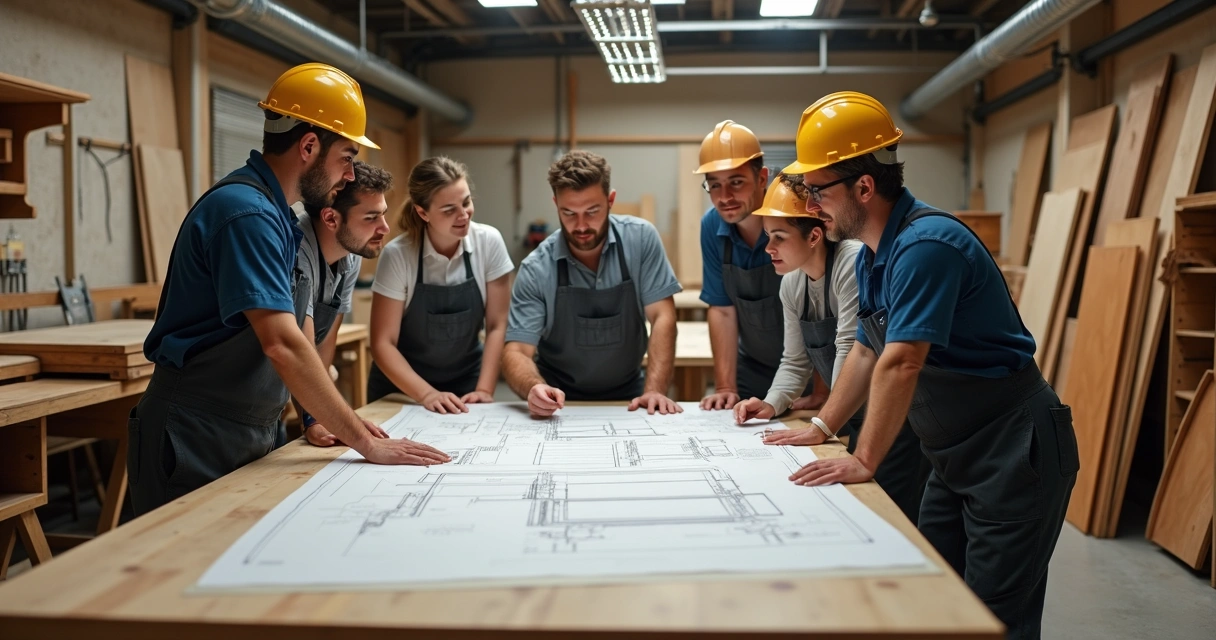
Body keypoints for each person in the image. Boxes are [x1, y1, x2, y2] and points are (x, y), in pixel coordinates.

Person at [763, 91, 1077, 639]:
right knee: (934, 602)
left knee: (993, 620)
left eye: (818, 191)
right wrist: (822, 426)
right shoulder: (875, 256)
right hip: (953, 455)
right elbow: (866, 350)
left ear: (864, 187)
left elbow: (902, 360)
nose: (811, 205)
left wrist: (864, 459)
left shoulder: (927, 245)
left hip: (1011, 450)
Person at [129, 63, 449, 516]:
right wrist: (366, 442)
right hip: (195, 435)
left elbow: (302, 340)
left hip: (250, 427)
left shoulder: (276, 216)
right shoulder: (248, 214)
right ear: (309, 146)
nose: (349, 175)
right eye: (346, 157)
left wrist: (321, 418)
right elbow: (282, 343)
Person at [734, 175, 928, 524]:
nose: (768, 249)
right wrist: (770, 403)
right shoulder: (792, 284)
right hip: (847, 416)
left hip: (889, 418)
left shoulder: (851, 263)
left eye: (779, 237)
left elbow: (852, 348)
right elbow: (794, 362)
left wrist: (825, 424)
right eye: (767, 237)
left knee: (888, 517)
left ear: (814, 236)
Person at [503, 150, 682, 417]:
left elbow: (663, 316)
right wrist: (534, 387)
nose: (581, 225)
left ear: (611, 200)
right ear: (556, 204)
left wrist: (654, 391)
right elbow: (516, 350)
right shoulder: (536, 268)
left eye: (592, 211)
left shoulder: (641, 240)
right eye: (569, 213)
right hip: (558, 403)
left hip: (631, 397)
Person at [367, 157, 514, 414]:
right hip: (402, 390)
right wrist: (427, 394)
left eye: (466, 202)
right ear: (423, 212)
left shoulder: (489, 242)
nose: (463, 215)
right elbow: (382, 343)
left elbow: (497, 325)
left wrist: (484, 390)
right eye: (449, 210)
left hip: (467, 385)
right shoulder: (398, 255)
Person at [694, 120, 815, 411]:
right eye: (714, 185)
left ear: (762, 178)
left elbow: (824, 311)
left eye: (736, 182)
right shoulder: (711, 226)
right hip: (752, 373)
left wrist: (824, 391)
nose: (725, 197)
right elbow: (722, 309)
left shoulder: (795, 214)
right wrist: (725, 387)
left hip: (811, 376)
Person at [294, 160, 393, 446]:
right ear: (331, 219)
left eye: (383, 215)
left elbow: (324, 343)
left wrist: (321, 417)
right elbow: (301, 351)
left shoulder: (350, 254)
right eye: (371, 218)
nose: (385, 228)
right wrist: (314, 419)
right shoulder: (296, 252)